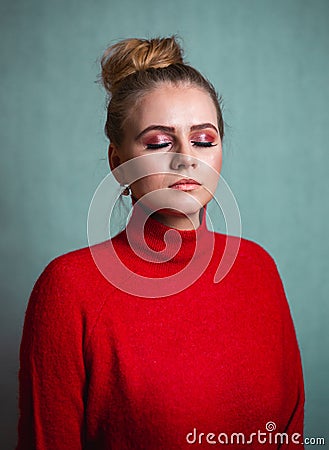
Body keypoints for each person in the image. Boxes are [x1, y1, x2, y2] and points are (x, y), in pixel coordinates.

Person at [16, 36, 305, 449]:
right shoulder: (69, 288)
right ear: (119, 163)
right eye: (158, 142)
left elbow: (290, 432)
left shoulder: (259, 269)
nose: (186, 157)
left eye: (204, 140)